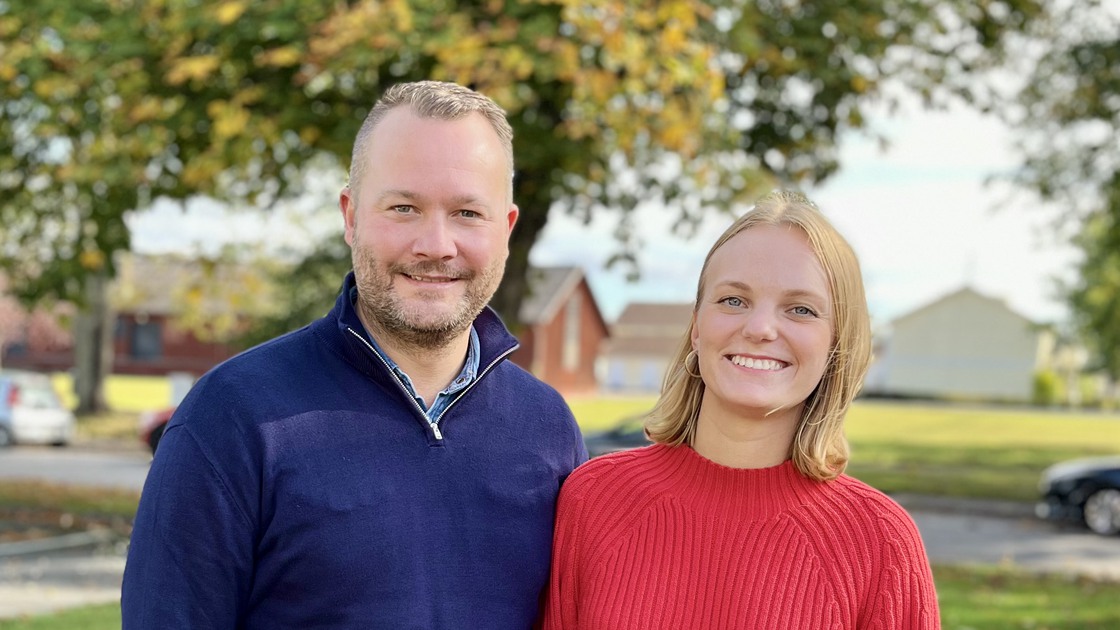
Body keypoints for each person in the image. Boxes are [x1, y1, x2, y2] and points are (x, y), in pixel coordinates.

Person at [122, 81, 587, 629]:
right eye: (404, 207)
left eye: (467, 213)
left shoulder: (547, 428)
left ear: (506, 229)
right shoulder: (234, 416)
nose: (436, 245)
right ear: (350, 216)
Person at [541, 190, 940, 629]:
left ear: (836, 345)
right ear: (696, 327)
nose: (760, 329)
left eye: (801, 309)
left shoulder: (880, 543)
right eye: (734, 300)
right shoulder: (595, 500)